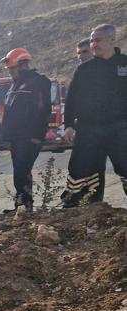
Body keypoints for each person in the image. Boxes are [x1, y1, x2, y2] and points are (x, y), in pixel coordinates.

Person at [61, 24, 127, 207]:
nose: (93, 44)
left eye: (97, 40)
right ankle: (77, 208)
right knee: (80, 169)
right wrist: (68, 125)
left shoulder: (124, 63)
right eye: (91, 40)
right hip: (89, 129)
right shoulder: (84, 70)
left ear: (111, 40)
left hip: (120, 129)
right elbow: (72, 99)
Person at [0, 48, 52, 212]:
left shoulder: (38, 82)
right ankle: (22, 206)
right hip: (16, 137)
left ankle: (24, 207)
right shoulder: (15, 85)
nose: (10, 73)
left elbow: (43, 110)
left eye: (12, 70)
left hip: (28, 137)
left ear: (22, 65)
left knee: (22, 171)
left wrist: (37, 135)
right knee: (19, 172)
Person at [74, 37, 106, 202]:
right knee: (86, 166)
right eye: (79, 53)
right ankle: (89, 200)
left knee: (98, 165)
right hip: (85, 128)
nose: (81, 56)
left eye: (85, 51)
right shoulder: (81, 73)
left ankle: (96, 201)